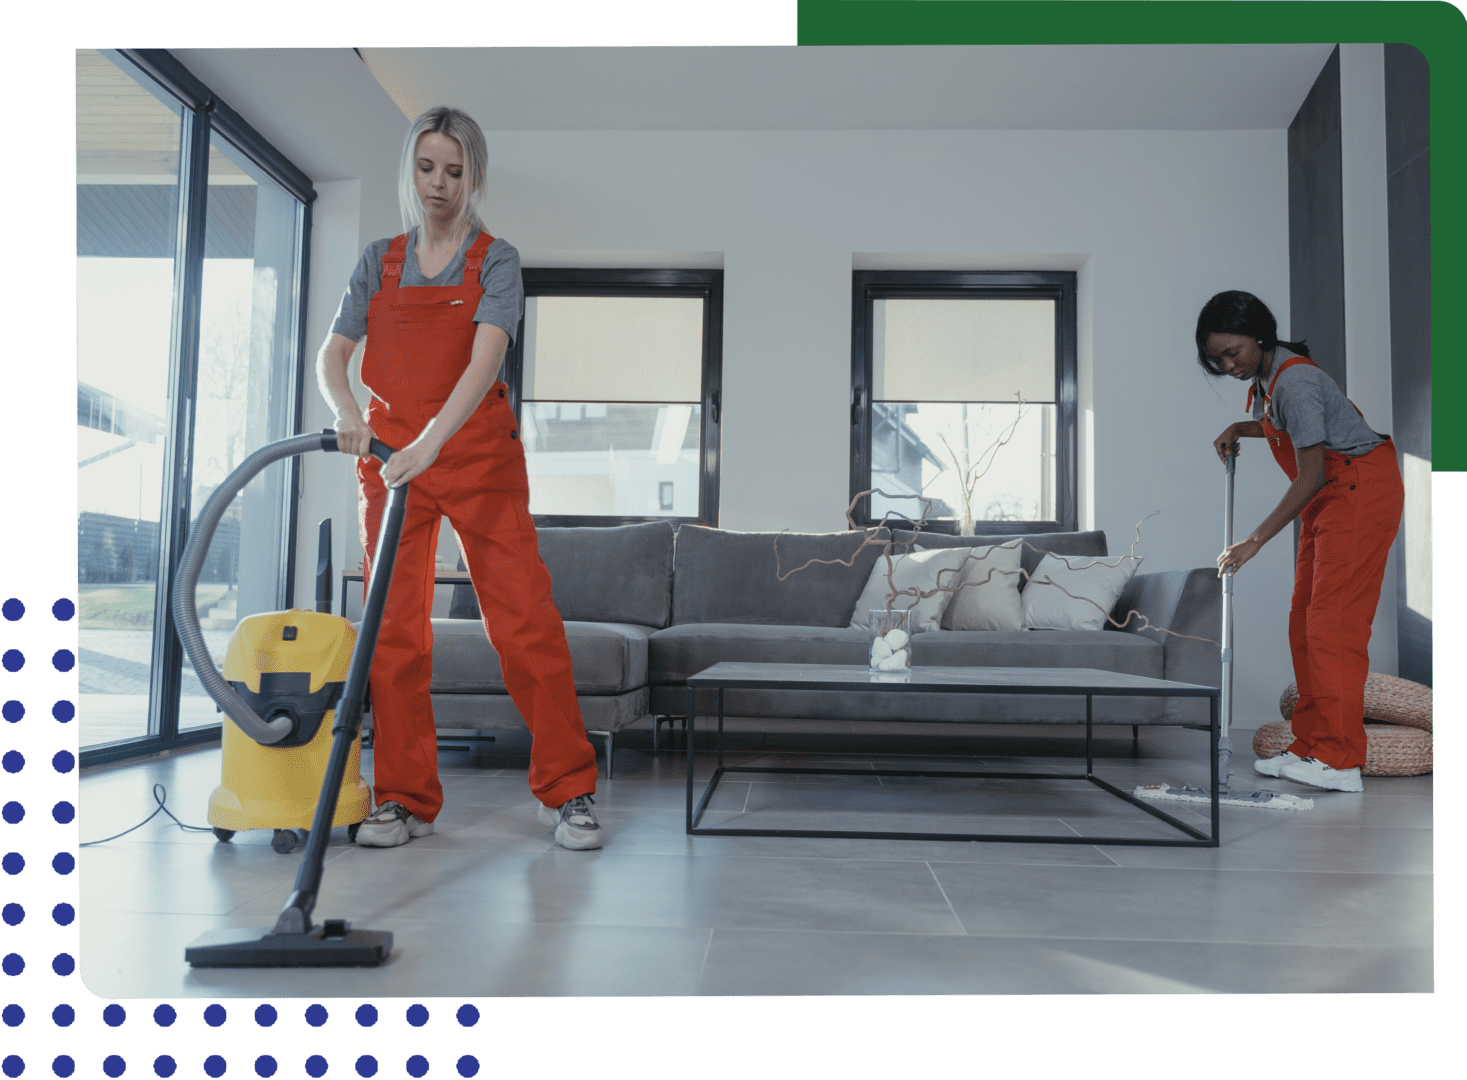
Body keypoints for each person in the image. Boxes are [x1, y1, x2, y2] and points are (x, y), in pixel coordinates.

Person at [316, 106, 602, 849]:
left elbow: (484, 362)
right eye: (426, 167)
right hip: (390, 463)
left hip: (474, 454)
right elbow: (333, 354)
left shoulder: (494, 260)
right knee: (394, 633)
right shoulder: (378, 261)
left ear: (474, 177)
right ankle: (405, 799)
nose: (439, 185)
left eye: (455, 170)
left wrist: (431, 444)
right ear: (408, 168)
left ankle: (568, 790)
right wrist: (348, 411)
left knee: (524, 624)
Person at [1196, 290, 1404, 793]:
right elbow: (1286, 431)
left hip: (1356, 491)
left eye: (1233, 352)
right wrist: (1241, 428)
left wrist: (1254, 540)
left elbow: (1310, 473)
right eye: (1216, 358)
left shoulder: (1298, 381)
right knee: (1304, 621)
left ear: (1259, 336)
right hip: (1332, 495)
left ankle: (1341, 758)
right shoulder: (1270, 377)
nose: (1227, 365)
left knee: (1332, 624)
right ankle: (1312, 744)